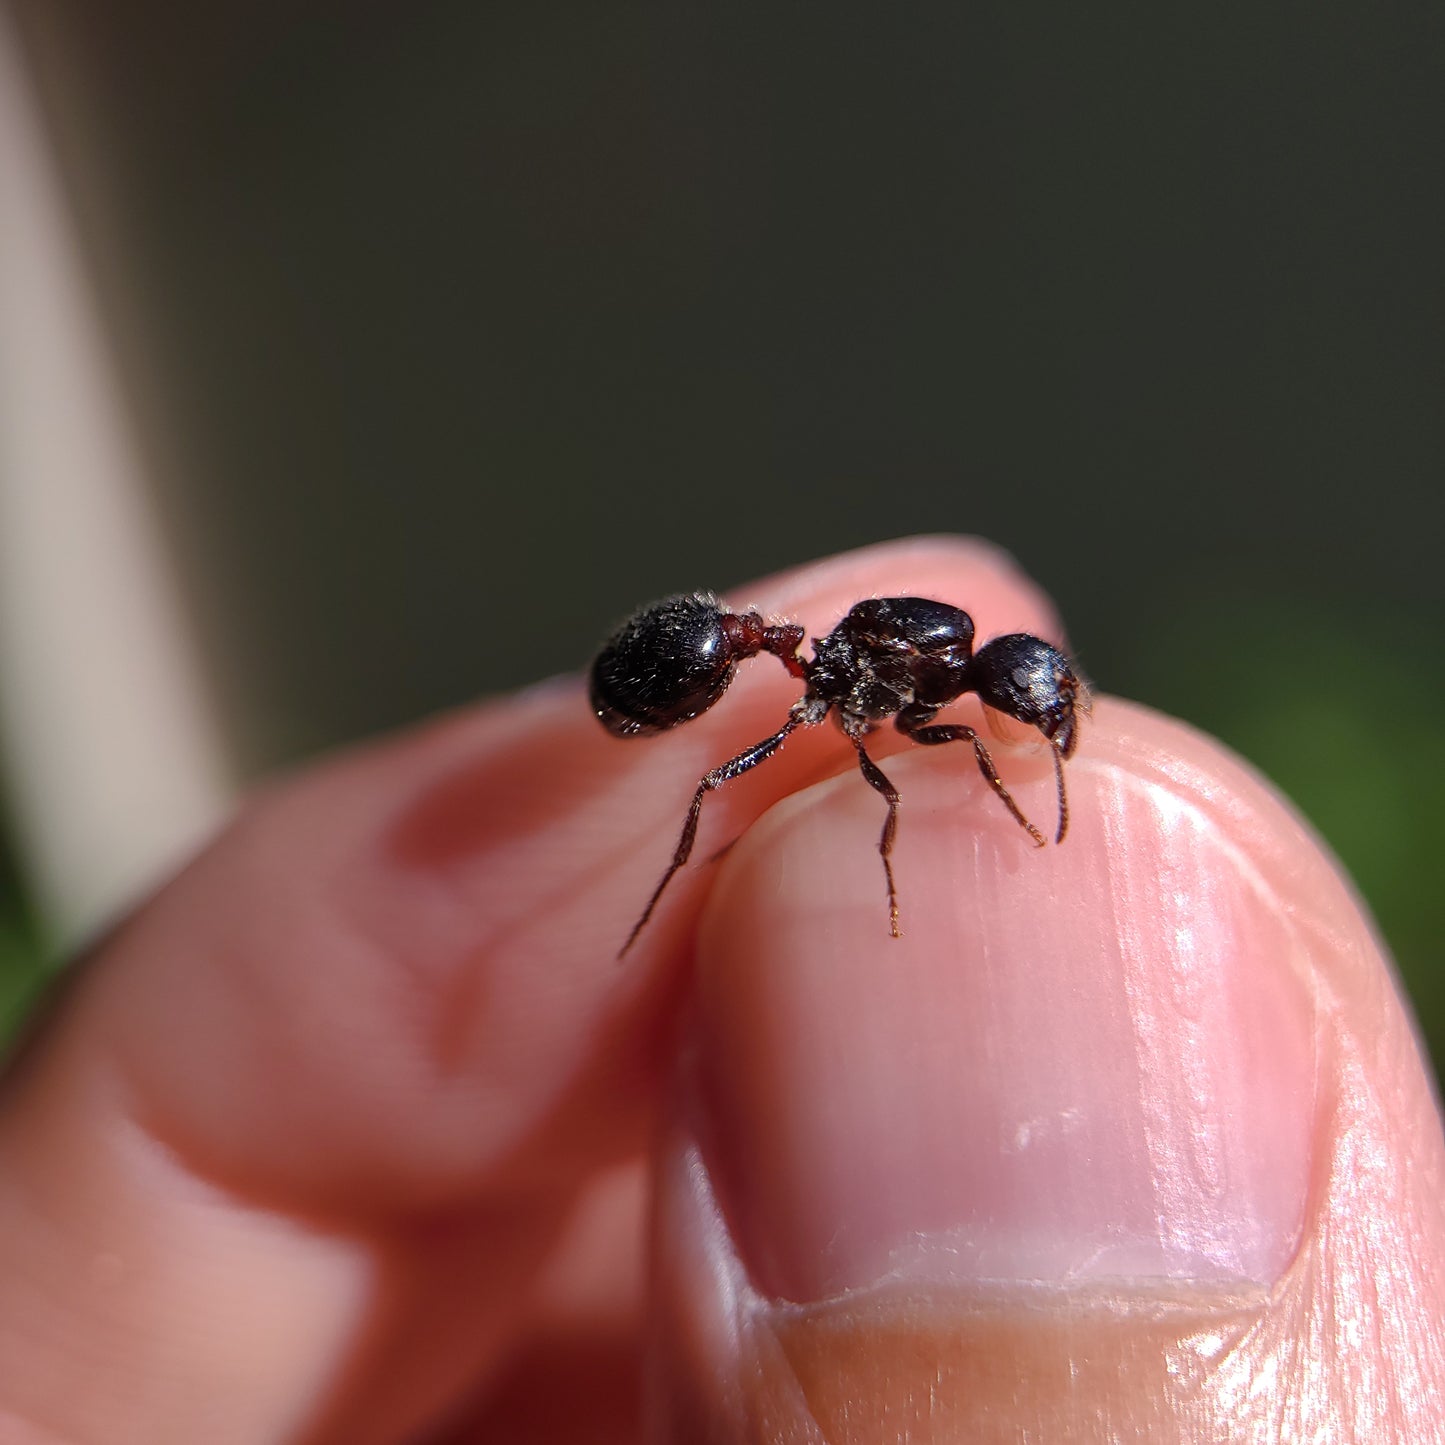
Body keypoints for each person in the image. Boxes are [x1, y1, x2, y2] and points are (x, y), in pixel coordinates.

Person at [0, 536, 1440, 1443]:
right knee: (732, 788)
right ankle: (659, 890)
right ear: (988, 686)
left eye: (1030, 720)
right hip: (716, 666)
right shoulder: (904, 678)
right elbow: (888, 739)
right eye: (1026, 714)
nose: (1022, 730)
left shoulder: (935, 675)